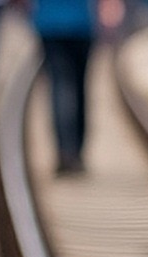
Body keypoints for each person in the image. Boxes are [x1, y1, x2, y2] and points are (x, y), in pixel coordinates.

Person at [27, 0, 97, 175]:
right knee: (79, 86)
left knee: (60, 86)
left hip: (49, 24)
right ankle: (77, 150)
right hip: (82, 24)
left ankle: (65, 151)